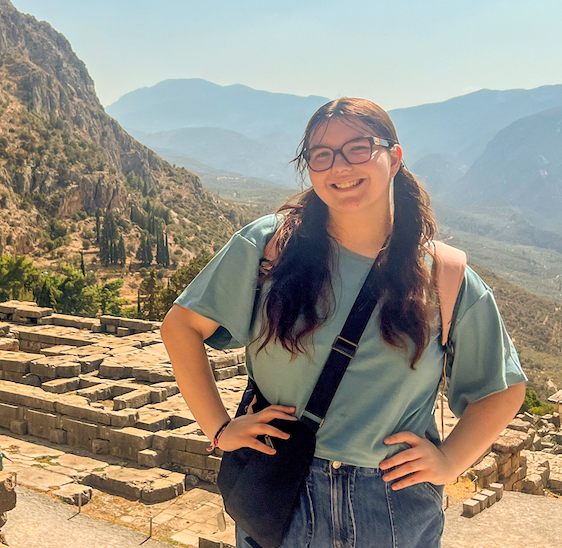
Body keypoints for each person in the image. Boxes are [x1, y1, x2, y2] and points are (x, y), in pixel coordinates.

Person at [161, 97, 526, 548]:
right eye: (322, 155)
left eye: (358, 148)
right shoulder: (269, 247)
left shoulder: (445, 277)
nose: (339, 166)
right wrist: (218, 428)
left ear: (394, 157)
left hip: (390, 502)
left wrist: (450, 462)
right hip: (283, 489)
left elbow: (504, 388)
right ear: (310, 168)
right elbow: (180, 327)